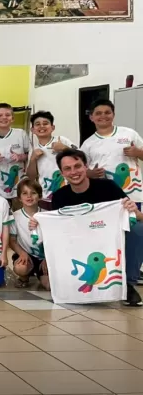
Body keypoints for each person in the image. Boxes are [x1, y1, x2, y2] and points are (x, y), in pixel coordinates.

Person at [47, 148, 143, 306]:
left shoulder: (108, 187)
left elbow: (137, 217)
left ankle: (128, 284)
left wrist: (134, 210)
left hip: (109, 238)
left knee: (138, 230)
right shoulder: (59, 196)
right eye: (67, 168)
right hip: (79, 242)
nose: (74, 172)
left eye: (77, 166)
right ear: (62, 173)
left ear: (86, 166)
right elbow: (58, 230)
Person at [80, 99, 143, 205]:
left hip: (132, 195)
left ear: (113, 115)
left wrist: (137, 153)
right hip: (103, 198)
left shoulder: (129, 133)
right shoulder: (87, 144)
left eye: (107, 112)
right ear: (91, 117)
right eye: (98, 113)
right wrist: (90, 173)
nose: (103, 116)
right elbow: (80, 170)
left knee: (135, 221)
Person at [26, 111, 76, 209]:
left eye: (45, 123)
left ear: (52, 127)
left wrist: (64, 148)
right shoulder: (33, 149)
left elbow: (81, 156)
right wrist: (32, 160)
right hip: (45, 196)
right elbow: (31, 176)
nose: (42, 126)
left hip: (68, 191)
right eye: (38, 124)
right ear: (32, 130)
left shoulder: (61, 140)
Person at [0, 103, 29, 205]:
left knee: (19, 216)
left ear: (12, 118)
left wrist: (21, 156)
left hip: (20, 185)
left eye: (7, 115)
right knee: (0, 217)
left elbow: (30, 155)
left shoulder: (20, 134)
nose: (4, 117)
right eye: (0, 115)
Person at [9, 179, 49, 290]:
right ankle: (24, 277)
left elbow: (54, 240)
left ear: (40, 196)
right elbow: (11, 240)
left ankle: (42, 274)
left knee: (48, 286)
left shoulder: (48, 215)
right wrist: (21, 253)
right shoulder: (14, 217)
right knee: (21, 268)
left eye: (33, 193)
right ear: (19, 198)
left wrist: (48, 258)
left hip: (44, 257)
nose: (29, 196)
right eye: (25, 193)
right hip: (27, 255)